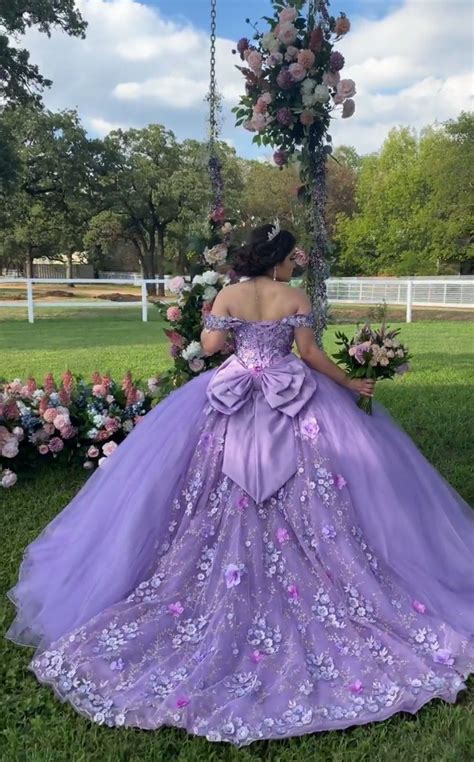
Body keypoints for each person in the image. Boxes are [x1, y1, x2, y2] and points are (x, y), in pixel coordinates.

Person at [6, 224, 474, 747]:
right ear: (278, 260)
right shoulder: (291, 295)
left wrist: (228, 334)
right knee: (322, 484)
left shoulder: (227, 293)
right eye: (293, 257)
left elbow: (208, 347)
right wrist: (348, 382)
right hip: (292, 396)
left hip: (227, 394)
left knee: (200, 484)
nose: (296, 264)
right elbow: (311, 357)